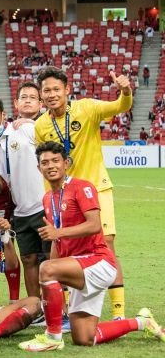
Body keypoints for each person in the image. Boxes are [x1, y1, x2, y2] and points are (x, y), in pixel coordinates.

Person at [19, 142, 164, 351]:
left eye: (55, 161)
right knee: (84, 338)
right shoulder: (48, 198)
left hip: (99, 261)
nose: (50, 166)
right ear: (38, 168)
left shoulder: (82, 186)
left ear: (66, 163)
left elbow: (94, 225)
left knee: (47, 269)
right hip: (78, 267)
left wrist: (55, 243)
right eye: (44, 162)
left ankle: (52, 338)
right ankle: (142, 322)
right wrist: (53, 279)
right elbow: (56, 241)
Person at [35, 67, 132, 318]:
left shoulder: (86, 108)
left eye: (57, 89)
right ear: (41, 94)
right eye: (47, 90)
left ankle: (119, 312)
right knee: (64, 246)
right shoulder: (41, 124)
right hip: (63, 195)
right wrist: (51, 199)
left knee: (107, 243)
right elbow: (45, 163)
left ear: (67, 90)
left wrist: (126, 91)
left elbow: (119, 106)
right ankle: (66, 310)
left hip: (96, 187)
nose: (52, 94)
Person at [0, 87, 48, 299]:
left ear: (3, 115)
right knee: (28, 259)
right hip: (21, 210)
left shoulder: (22, 129)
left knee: (49, 259)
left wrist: (32, 122)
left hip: (43, 205)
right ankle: (36, 307)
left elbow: (48, 138)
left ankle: (57, 307)